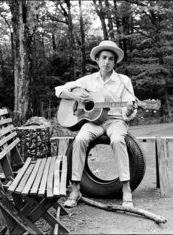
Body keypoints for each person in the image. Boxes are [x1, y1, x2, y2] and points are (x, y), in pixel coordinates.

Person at [55, 40, 138, 208]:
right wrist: (76, 97)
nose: (107, 62)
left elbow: (127, 111)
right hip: (93, 123)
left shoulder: (124, 81)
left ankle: (126, 189)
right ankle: (76, 189)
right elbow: (60, 90)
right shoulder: (88, 80)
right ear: (98, 60)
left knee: (117, 140)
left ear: (115, 62)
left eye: (110, 59)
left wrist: (129, 109)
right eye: (104, 58)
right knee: (79, 140)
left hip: (115, 121)